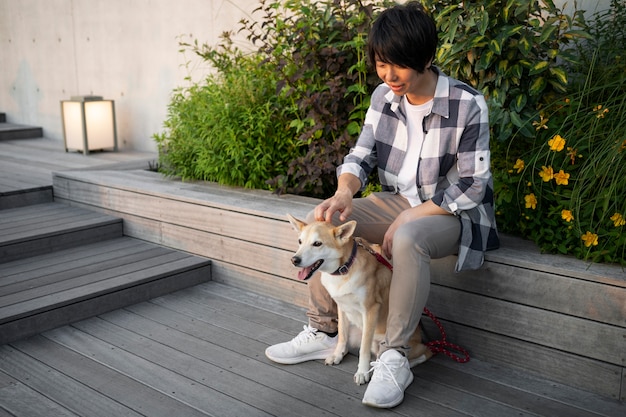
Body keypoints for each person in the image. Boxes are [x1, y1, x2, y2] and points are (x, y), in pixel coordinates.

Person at [265, 1, 499, 409]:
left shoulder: (467, 104)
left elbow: (472, 187)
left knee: (408, 236)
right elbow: (360, 156)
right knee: (318, 220)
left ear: (426, 57)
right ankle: (324, 331)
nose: (389, 75)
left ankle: (394, 355)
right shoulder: (383, 97)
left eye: (399, 65)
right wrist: (343, 193)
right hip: (399, 201)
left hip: (452, 214)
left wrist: (411, 214)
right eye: (380, 64)